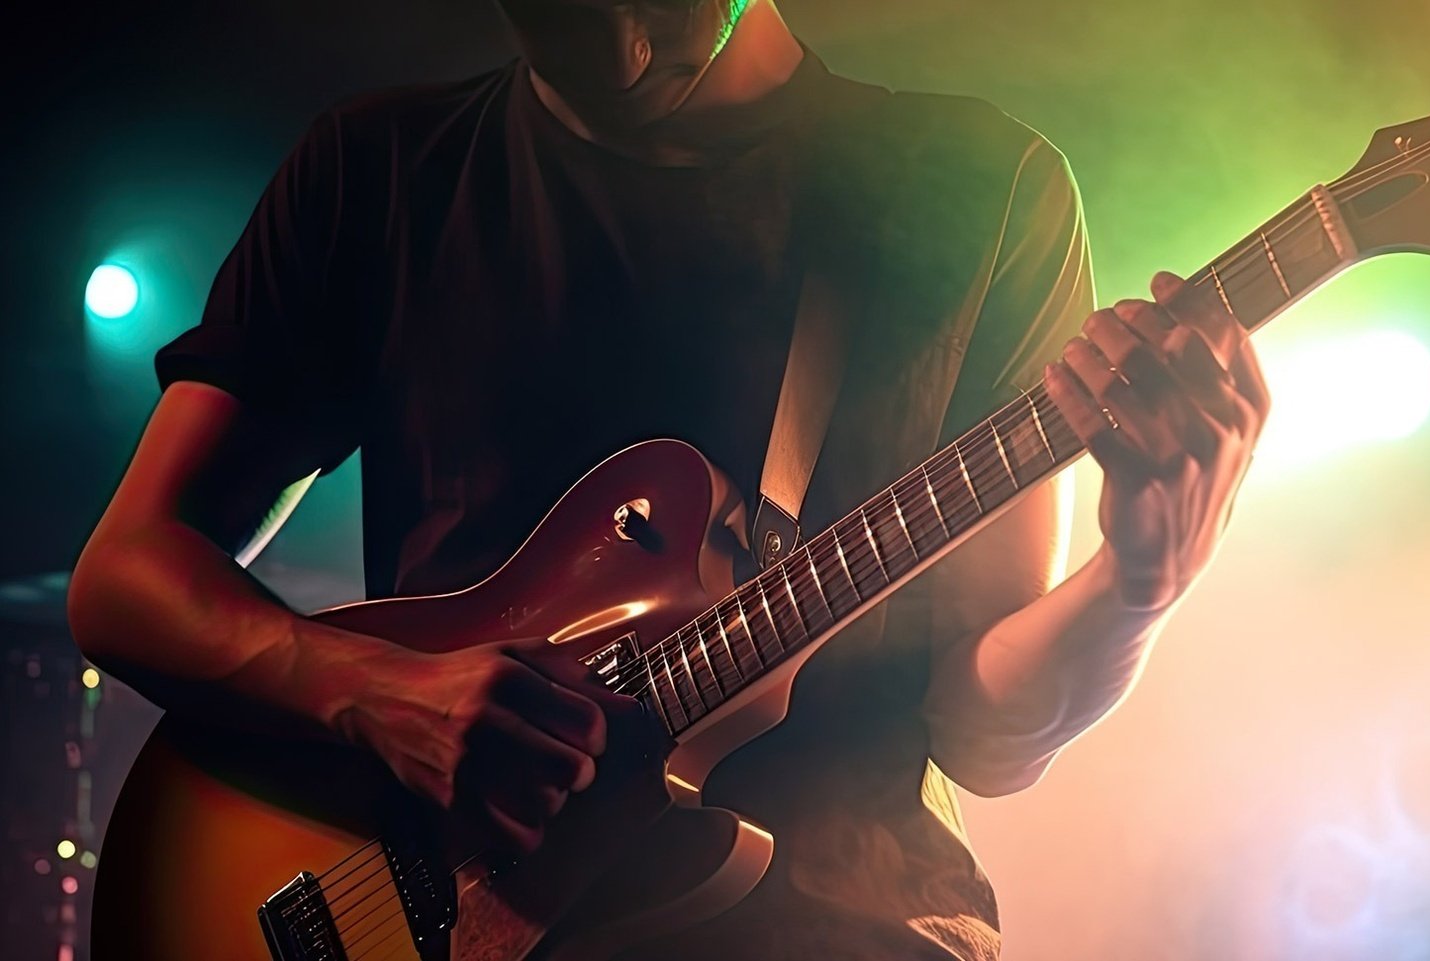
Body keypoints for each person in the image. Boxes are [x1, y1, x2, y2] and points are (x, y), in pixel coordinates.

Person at [66, 0, 1269, 957]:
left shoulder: (980, 189)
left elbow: (986, 735)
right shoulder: (379, 171)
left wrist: (1139, 584)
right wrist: (368, 690)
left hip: (839, 928)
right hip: (442, 917)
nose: (619, 44)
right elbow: (124, 576)